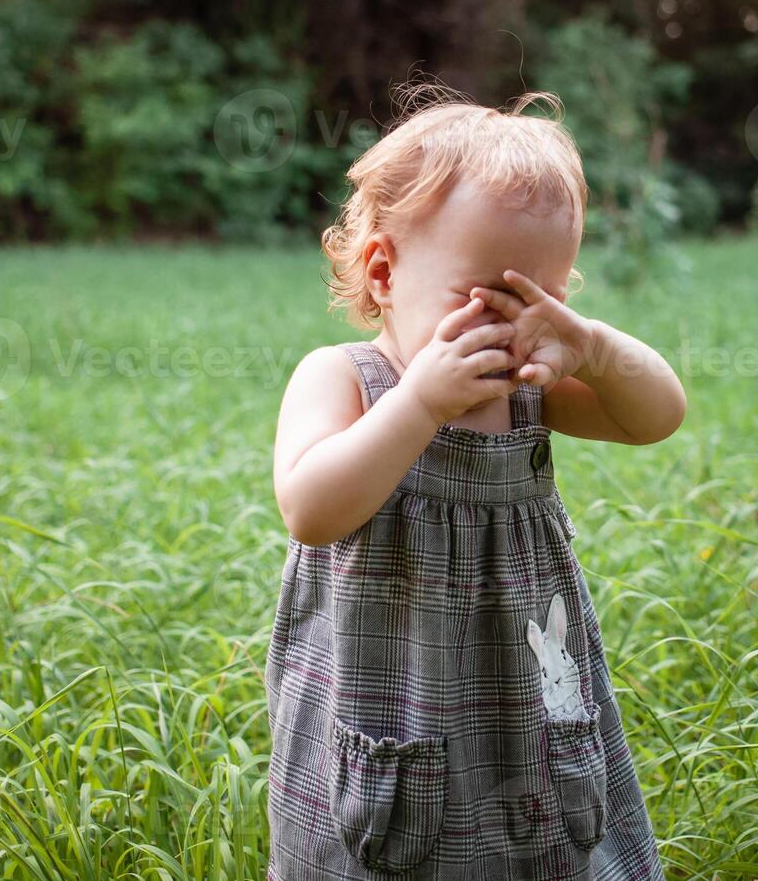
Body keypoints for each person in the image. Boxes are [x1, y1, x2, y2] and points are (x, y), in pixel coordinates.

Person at [264, 83, 685, 878]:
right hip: (387, 691)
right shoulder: (344, 378)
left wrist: (587, 344)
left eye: (543, 298)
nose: (517, 326)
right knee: (385, 841)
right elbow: (312, 510)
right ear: (384, 273)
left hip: (522, 688)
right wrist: (419, 402)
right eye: (485, 299)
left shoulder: (529, 388)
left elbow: (655, 414)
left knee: (543, 835)